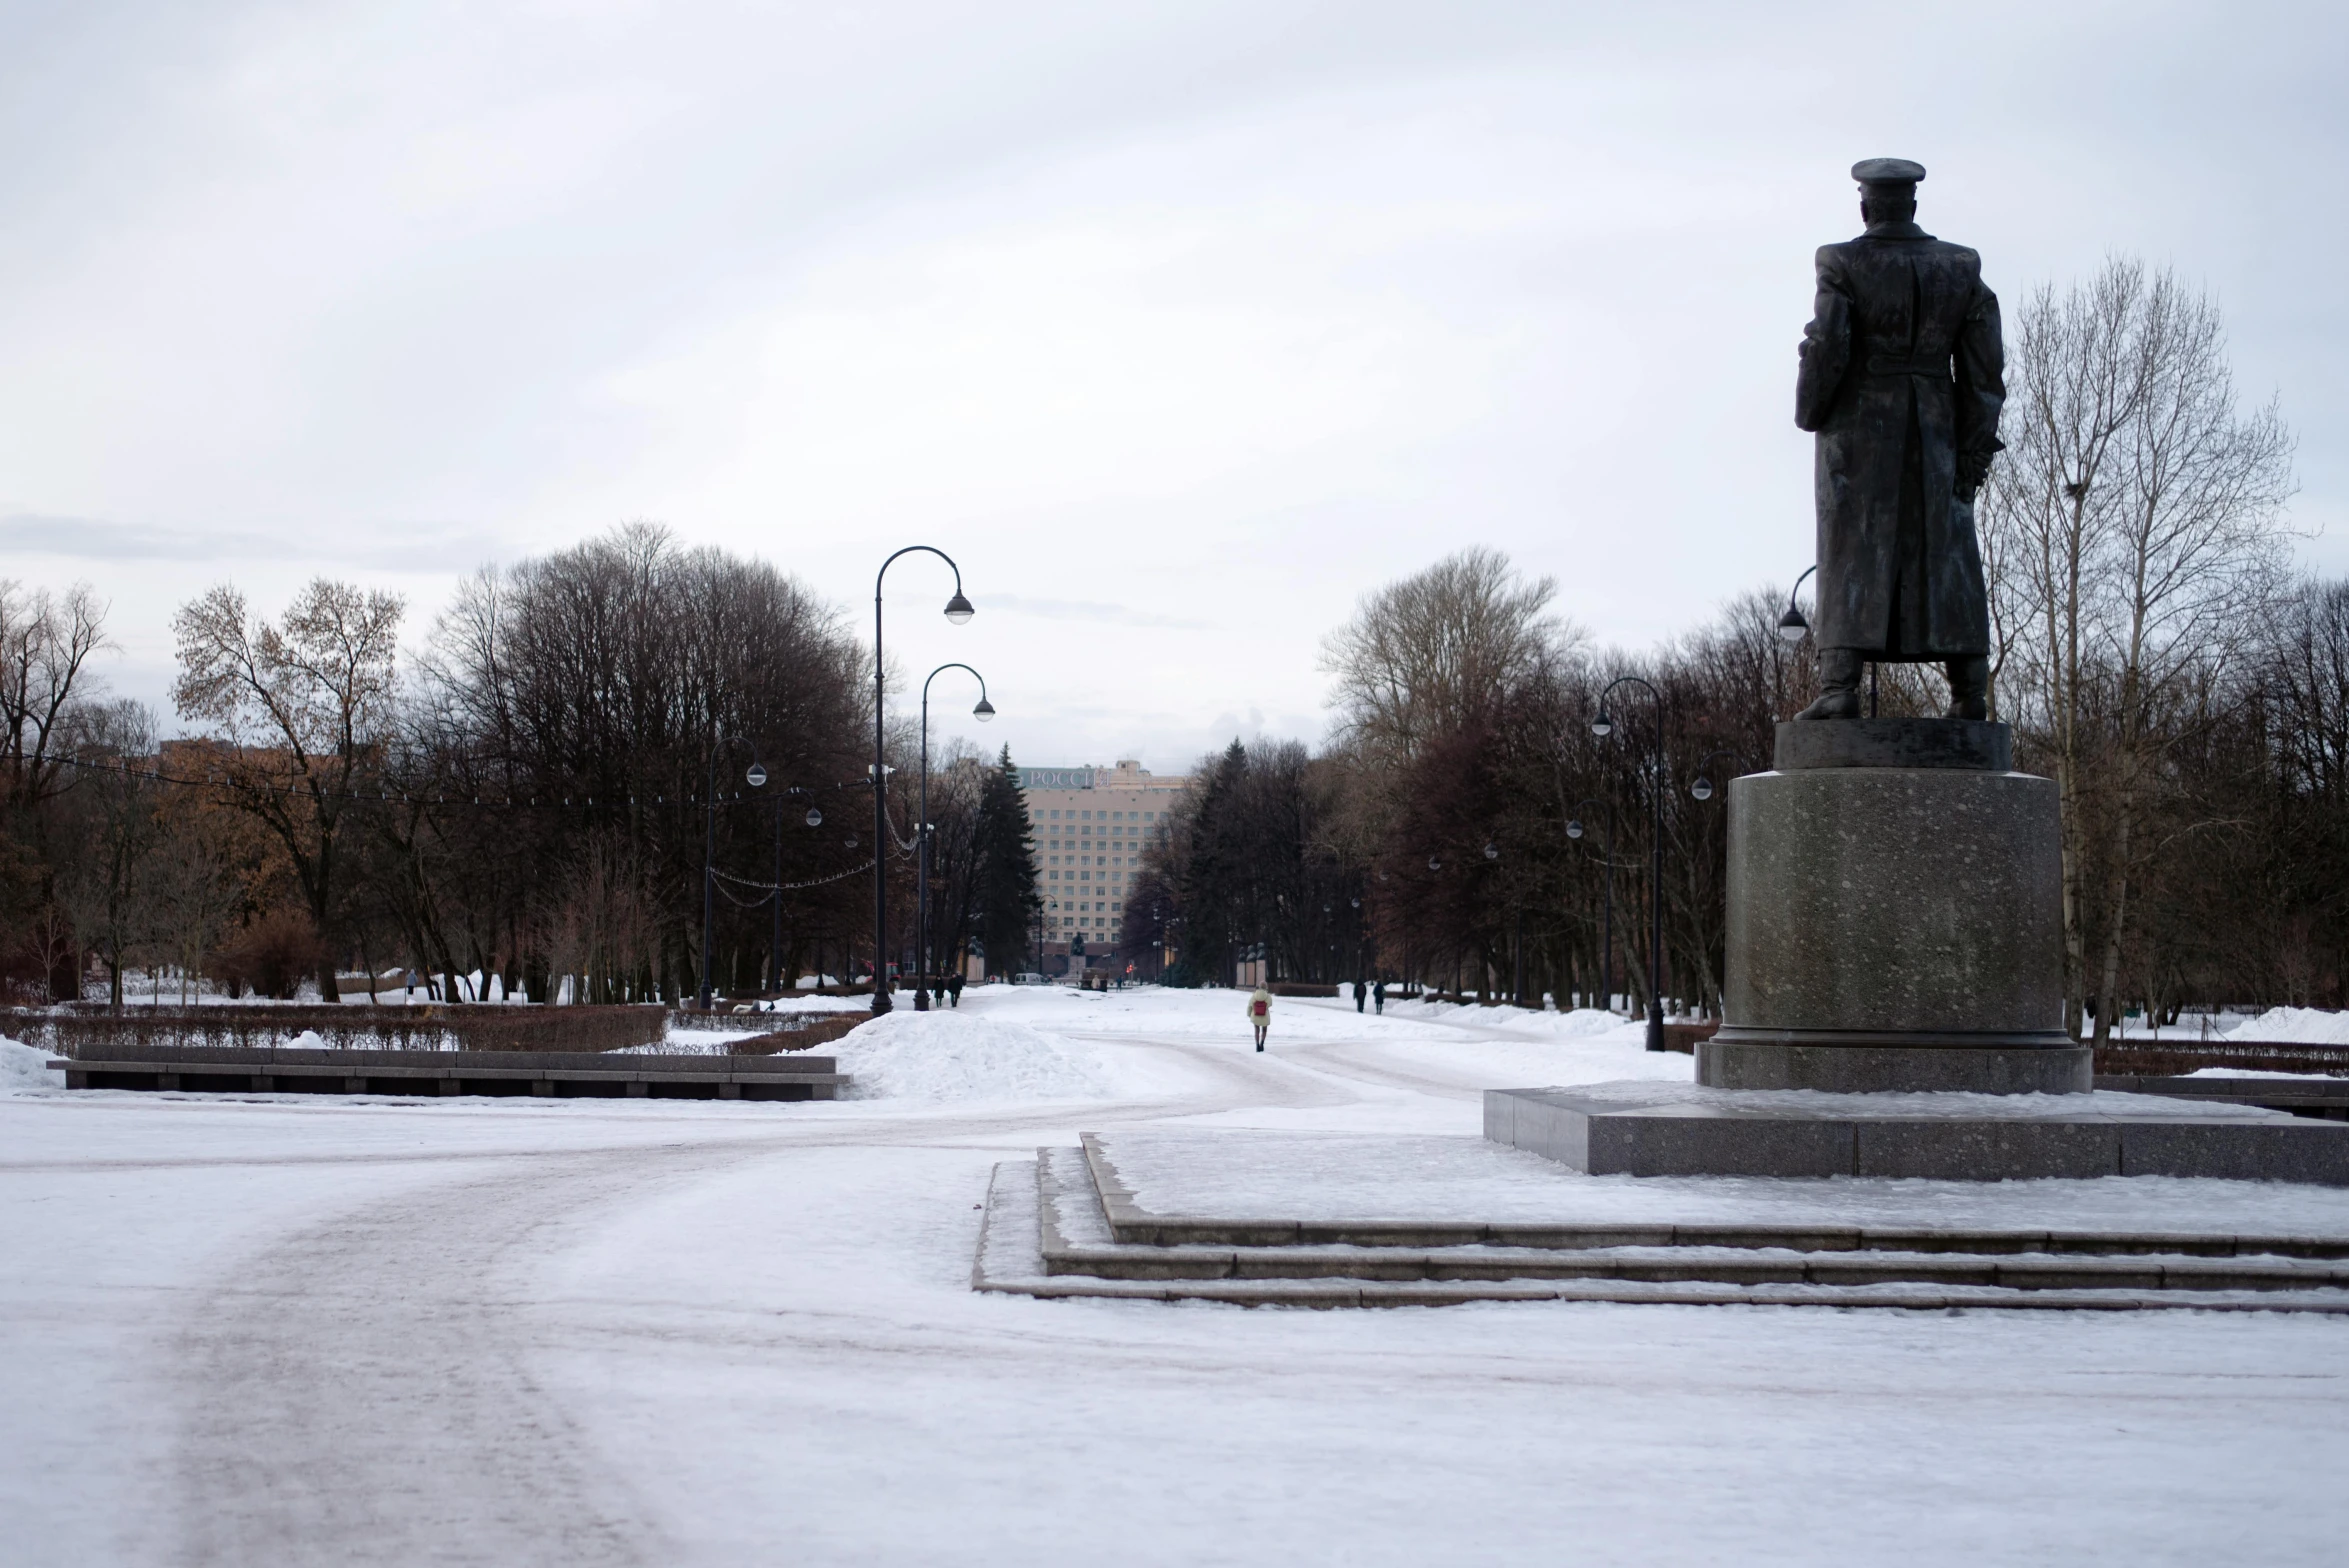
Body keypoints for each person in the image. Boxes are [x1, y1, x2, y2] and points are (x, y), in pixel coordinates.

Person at [1793, 157, 2004, 721]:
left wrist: (1809, 406)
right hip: (1937, 428)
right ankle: (1969, 692)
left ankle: (1840, 686)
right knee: (1950, 549)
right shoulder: (1961, 267)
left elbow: (1829, 346)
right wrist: (1974, 451)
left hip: (1860, 432)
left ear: (1865, 206)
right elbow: (1985, 375)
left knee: (1849, 550)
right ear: (1912, 205)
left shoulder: (1840, 262)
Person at [1247, 985, 1272, 1051]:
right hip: (1265, 1015)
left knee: (1256, 1030)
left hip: (1255, 1015)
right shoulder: (1268, 996)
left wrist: (1249, 1014)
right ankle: (1262, 1043)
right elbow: (1270, 1004)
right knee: (1264, 1030)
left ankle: (1257, 1045)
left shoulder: (1254, 995)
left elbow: (1249, 1005)